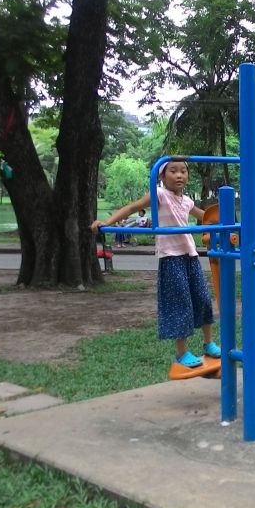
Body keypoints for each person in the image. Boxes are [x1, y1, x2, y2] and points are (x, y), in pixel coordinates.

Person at [90, 157, 220, 369]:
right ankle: (182, 352)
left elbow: (206, 217)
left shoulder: (187, 200)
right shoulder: (159, 195)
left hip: (190, 255)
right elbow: (132, 208)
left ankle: (209, 343)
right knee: (180, 304)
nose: (179, 175)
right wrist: (106, 222)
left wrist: (223, 222)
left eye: (183, 171)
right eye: (173, 171)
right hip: (171, 257)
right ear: (162, 176)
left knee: (203, 299)